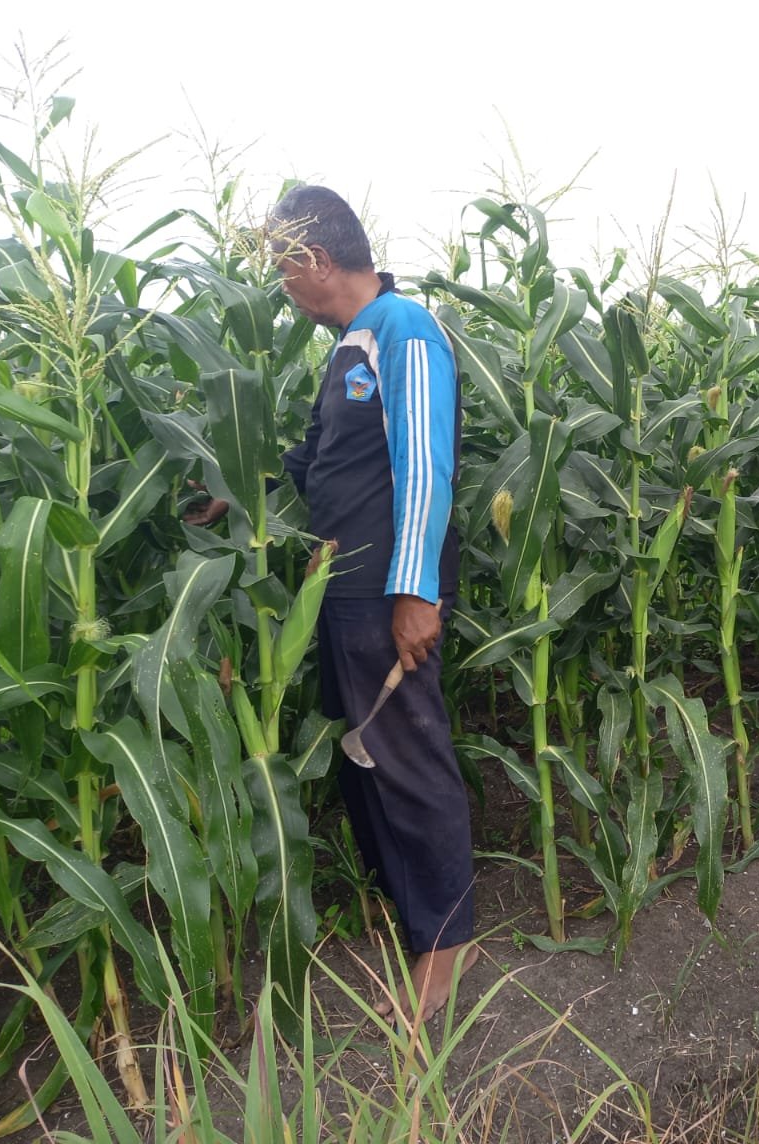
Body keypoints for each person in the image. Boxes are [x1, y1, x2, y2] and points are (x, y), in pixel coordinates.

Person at [188, 184, 473, 1019]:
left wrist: (414, 590)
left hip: (389, 592)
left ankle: (446, 946)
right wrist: (236, 488)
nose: (281, 289)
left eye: (283, 270)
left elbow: (425, 464)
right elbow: (318, 459)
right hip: (342, 593)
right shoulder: (350, 346)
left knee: (408, 759)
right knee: (367, 761)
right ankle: (409, 910)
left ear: (313, 260)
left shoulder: (402, 330)